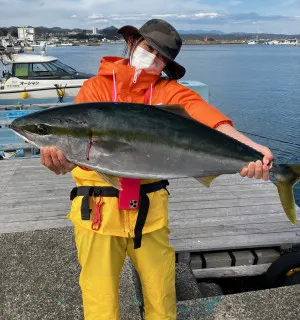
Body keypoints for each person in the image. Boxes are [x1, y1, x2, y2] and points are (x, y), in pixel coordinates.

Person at [40, 19, 273, 320]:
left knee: (162, 298)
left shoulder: (170, 93)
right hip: (97, 210)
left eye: (163, 57)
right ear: (132, 44)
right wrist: (60, 162)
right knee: (100, 302)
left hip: (149, 213)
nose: (154, 59)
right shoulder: (95, 88)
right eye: (150, 48)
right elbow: (77, 147)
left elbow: (210, 118)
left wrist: (250, 148)